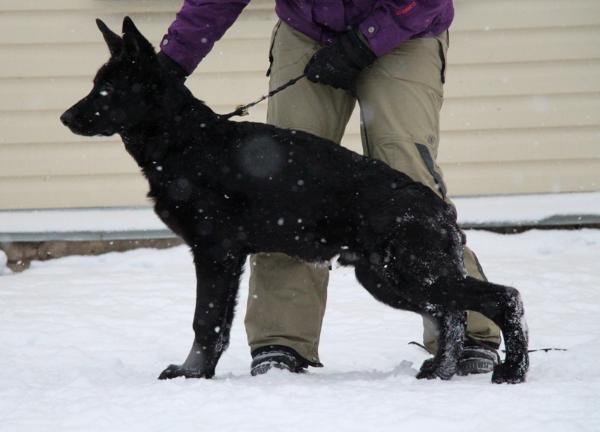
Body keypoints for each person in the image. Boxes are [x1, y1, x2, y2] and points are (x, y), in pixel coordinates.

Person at [158, 0, 502, 376]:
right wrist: (171, 63)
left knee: (408, 178)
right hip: (308, 30)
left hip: (407, 28)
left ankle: (468, 328)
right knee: (278, 186)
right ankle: (281, 338)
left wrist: (364, 42)